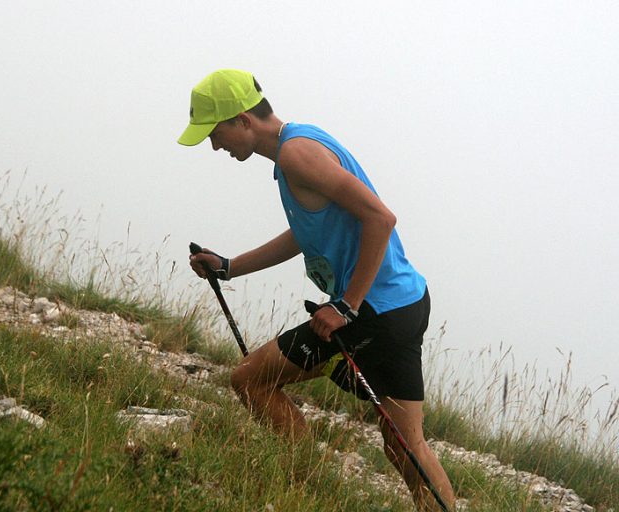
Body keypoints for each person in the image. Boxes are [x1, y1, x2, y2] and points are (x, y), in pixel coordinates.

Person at [179, 69, 456, 511]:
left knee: (250, 380)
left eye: (216, 133)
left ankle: (309, 488)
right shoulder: (297, 148)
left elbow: (381, 219)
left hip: (372, 312)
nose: (215, 146)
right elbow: (302, 233)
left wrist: (346, 306)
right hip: (405, 302)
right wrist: (230, 267)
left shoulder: (296, 155)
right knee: (405, 444)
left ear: (243, 120)